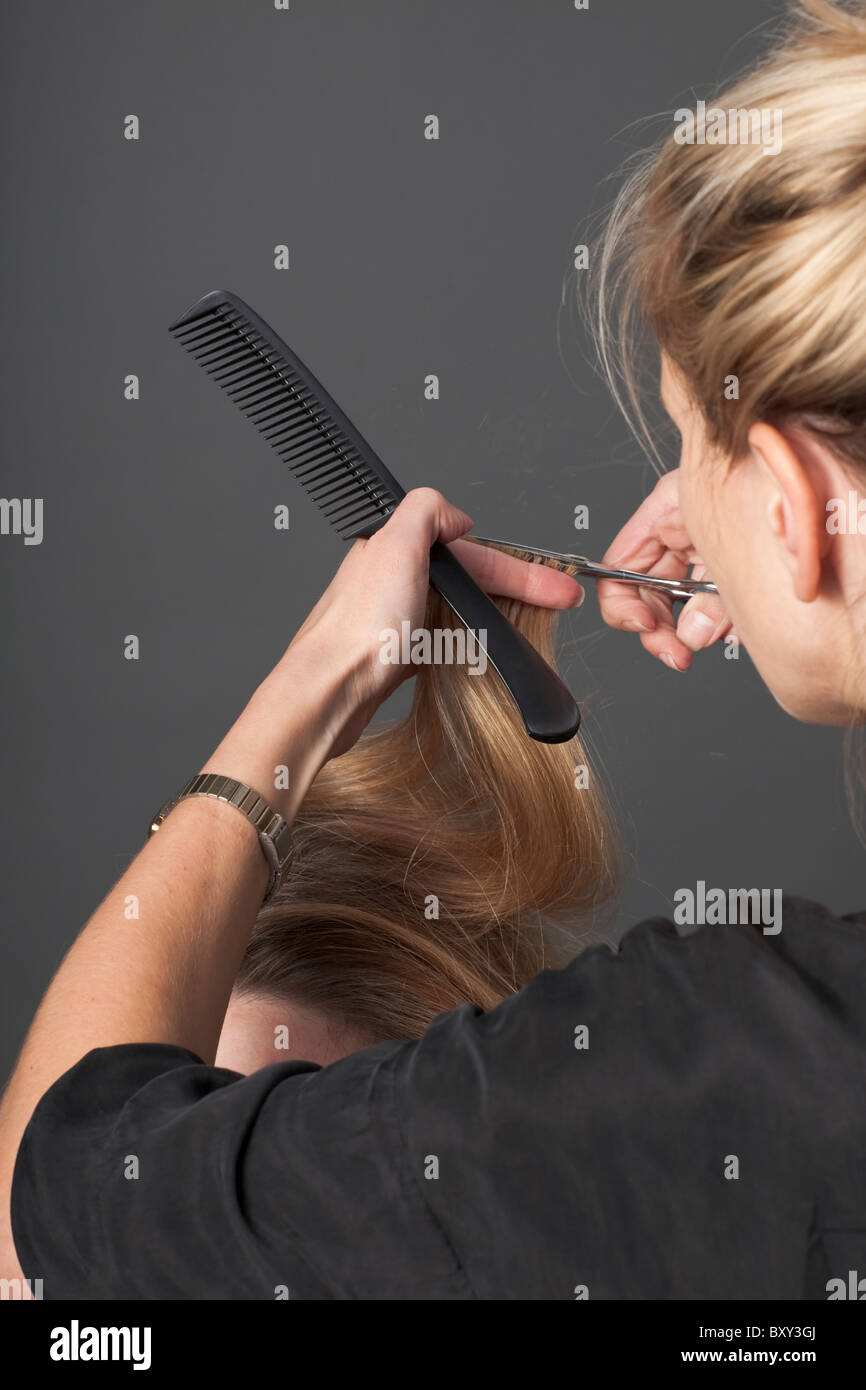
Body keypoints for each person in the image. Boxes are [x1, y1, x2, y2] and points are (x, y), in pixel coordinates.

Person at [3, 0, 866, 1300]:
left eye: (691, 436)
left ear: (797, 508)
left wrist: (293, 708)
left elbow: (49, 1234)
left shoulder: (721, 1073)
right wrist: (753, 508)